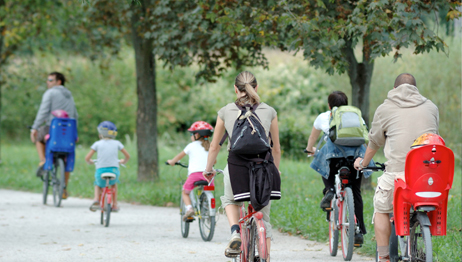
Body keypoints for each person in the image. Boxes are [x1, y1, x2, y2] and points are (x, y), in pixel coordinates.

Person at [353, 73, 439, 262]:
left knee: (382, 208)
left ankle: (383, 256)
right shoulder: (431, 107)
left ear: (394, 90)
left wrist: (363, 163)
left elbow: (374, 142)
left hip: (398, 176)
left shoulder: (385, 108)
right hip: (430, 177)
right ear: (416, 89)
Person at [202, 71, 281, 259]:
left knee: (230, 200)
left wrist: (208, 170)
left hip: (237, 165)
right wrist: (275, 171)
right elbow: (276, 148)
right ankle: (265, 256)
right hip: (264, 165)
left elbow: (214, 146)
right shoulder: (269, 111)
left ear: (235, 89)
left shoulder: (225, 111)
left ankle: (235, 231)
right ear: (257, 87)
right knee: (264, 217)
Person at [306, 90, 373, 245]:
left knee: (323, 160)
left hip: (334, 158)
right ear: (346, 103)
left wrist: (310, 149)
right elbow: (366, 137)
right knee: (356, 192)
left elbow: (312, 139)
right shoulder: (357, 116)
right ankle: (359, 231)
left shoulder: (324, 116)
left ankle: (329, 190)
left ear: (329, 105)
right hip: (356, 158)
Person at [30, 72, 78, 199]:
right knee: (67, 156)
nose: (48, 82)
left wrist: (34, 127)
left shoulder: (50, 93)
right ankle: (64, 188)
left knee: (39, 138)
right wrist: (75, 132)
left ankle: (42, 161)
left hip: (53, 128)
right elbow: (75, 114)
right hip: (69, 130)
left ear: (58, 82)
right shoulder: (69, 94)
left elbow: (43, 111)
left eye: (50, 80)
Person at [166, 121, 215, 221]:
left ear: (196, 135)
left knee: (185, 192)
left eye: (191, 134)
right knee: (207, 190)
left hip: (195, 175)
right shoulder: (211, 147)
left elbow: (177, 158)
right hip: (209, 175)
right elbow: (214, 161)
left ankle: (189, 209)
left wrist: (171, 162)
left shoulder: (191, 146)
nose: (191, 136)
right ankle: (207, 208)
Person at [85, 121, 130, 212]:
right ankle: (115, 204)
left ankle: (96, 199)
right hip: (114, 171)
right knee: (114, 184)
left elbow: (87, 158)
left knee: (97, 184)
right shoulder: (117, 143)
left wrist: (90, 162)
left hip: (100, 171)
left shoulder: (97, 144)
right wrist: (123, 161)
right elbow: (127, 156)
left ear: (101, 133)